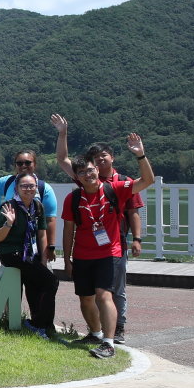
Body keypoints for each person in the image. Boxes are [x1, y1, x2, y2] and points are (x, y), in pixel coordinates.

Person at [53, 115, 145, 344]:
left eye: (102, 157)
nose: (97, 163)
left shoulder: (120, 183)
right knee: (92, 295)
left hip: (115, 243)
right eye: (95, 159)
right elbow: (62, 158)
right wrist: (63, 132)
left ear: (111, 158)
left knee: (114, 290)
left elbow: (133, 210)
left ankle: (116, 331)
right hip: (87, 250)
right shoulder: (82, 181)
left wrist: (137, 239)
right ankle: (98, 333)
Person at [0, 172, 58, 338]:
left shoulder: (37, 206)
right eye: (24, 186)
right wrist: (9, 224)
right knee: (51, 281)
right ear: (16, 188)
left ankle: (43, 325)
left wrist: (43, 261)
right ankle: (37, 324)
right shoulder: (8, 207)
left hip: (30, 254)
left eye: (31, 186)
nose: (28, 189)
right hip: (11, 253)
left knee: (36, 285)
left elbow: (41, 234)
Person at [0, 144, 59, 266]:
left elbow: (50, 220)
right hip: (11, 248)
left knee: (42, 282)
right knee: (14, 283)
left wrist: (50, 247)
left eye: (28, 163)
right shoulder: (8, 182)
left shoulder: (44, 188)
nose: (23, 166)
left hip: (36, 247)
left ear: (34, 164)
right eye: (19, 163)